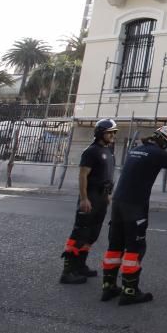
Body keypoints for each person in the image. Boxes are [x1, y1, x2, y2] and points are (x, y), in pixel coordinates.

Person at [102, 125, 167, 305]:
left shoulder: (136, 149)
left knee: (115, 245)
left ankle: (108, 286)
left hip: (118, 202)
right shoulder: (158, 154)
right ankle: (129, 291)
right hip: (135, 204)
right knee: (134, 247)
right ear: (164, 140)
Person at [60, 118, 118, 284]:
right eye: (110, 132)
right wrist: (84, 198)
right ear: (101, 133)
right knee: (80, 233)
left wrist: (108, 194)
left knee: (92, 234)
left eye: (114, 132)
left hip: (102, 197)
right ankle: (68, 271)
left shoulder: (108, 150)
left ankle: (80, 266)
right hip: (90, 196)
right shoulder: (91, 151)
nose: (113, 135)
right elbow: (83, 175)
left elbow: (107, 174)